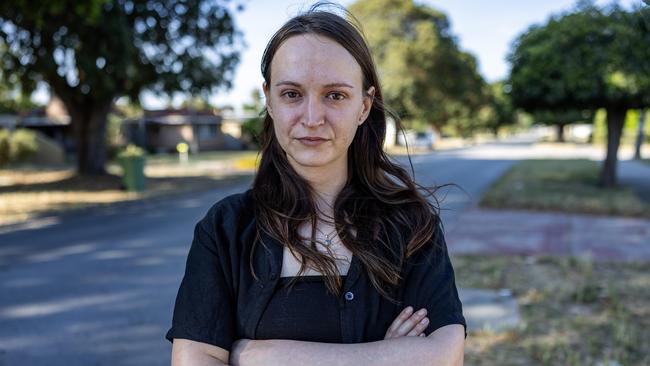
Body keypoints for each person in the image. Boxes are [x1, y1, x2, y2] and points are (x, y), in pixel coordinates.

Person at [166, 5, 466, 366]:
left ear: (364, 106)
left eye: (335, 95)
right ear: (269, 100)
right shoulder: (226, 230)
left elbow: (442, 356)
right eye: (292, 94)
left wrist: (261, 356)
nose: (312, 118)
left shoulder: (413, 226)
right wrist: (388, 356)